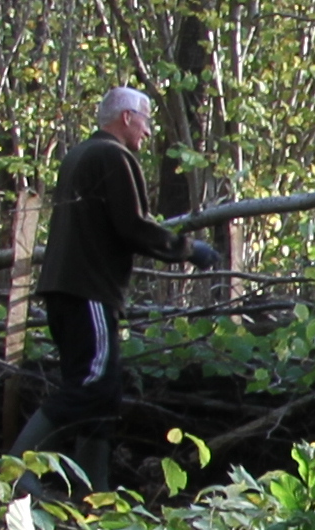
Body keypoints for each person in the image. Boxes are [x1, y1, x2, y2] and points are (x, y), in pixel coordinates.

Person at [27, 85, 195, 464]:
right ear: (126, 118)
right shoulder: (112, 156)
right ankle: (16, 471)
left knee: (103, 392)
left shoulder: (79, 155)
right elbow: (132, 226)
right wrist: (186, 249)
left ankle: (94, 491)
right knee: (90, 385)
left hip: (64, 289)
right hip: (88, 290)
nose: (147, 132)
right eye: (145, 121)